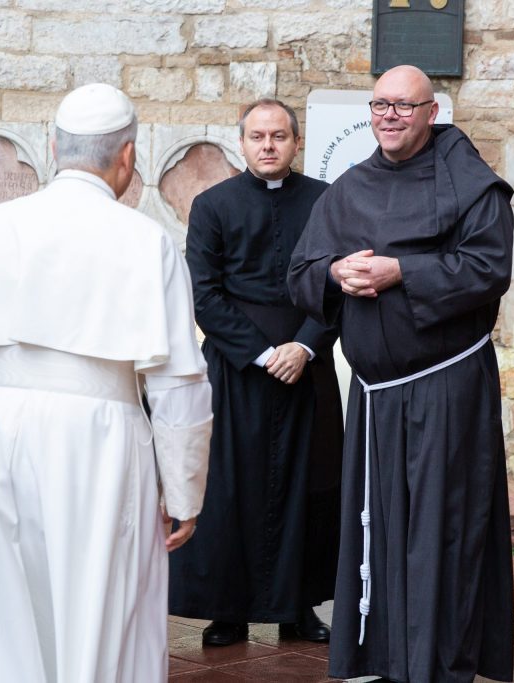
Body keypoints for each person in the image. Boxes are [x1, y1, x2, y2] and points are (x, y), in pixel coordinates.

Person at [0, 83, 212, 683]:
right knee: (92, 608)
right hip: (94, 439)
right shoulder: (147, 243)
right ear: (127, 158)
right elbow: (178, 385)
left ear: (50, 147)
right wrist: (184, 492)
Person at [288, 65, 514, 682]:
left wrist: (401, 274)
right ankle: (388, 656)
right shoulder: (349, 187)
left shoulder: (472, 186)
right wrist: (335, 273)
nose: (390, 116)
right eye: (380, 105)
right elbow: (301, 269)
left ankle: (441, 662)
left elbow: (488, 267)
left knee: (443, 528)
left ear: (432, 112)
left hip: (447, 388)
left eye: (404, 107)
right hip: (376, 397)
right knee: (379, 524)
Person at [169, 99, 343, 647]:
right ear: (241, 143)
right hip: (238, 367)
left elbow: (338, 284)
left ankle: (299, 609)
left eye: (280, 136)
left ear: (296, 143)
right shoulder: (212, 204)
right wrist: (265, 353)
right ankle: (229, 611)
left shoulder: (326, 202)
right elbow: (203, 293)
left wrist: (306, 347)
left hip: (307, 367)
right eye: (258, 136)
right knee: (230, 489)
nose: (268, 145)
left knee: (307, 489)